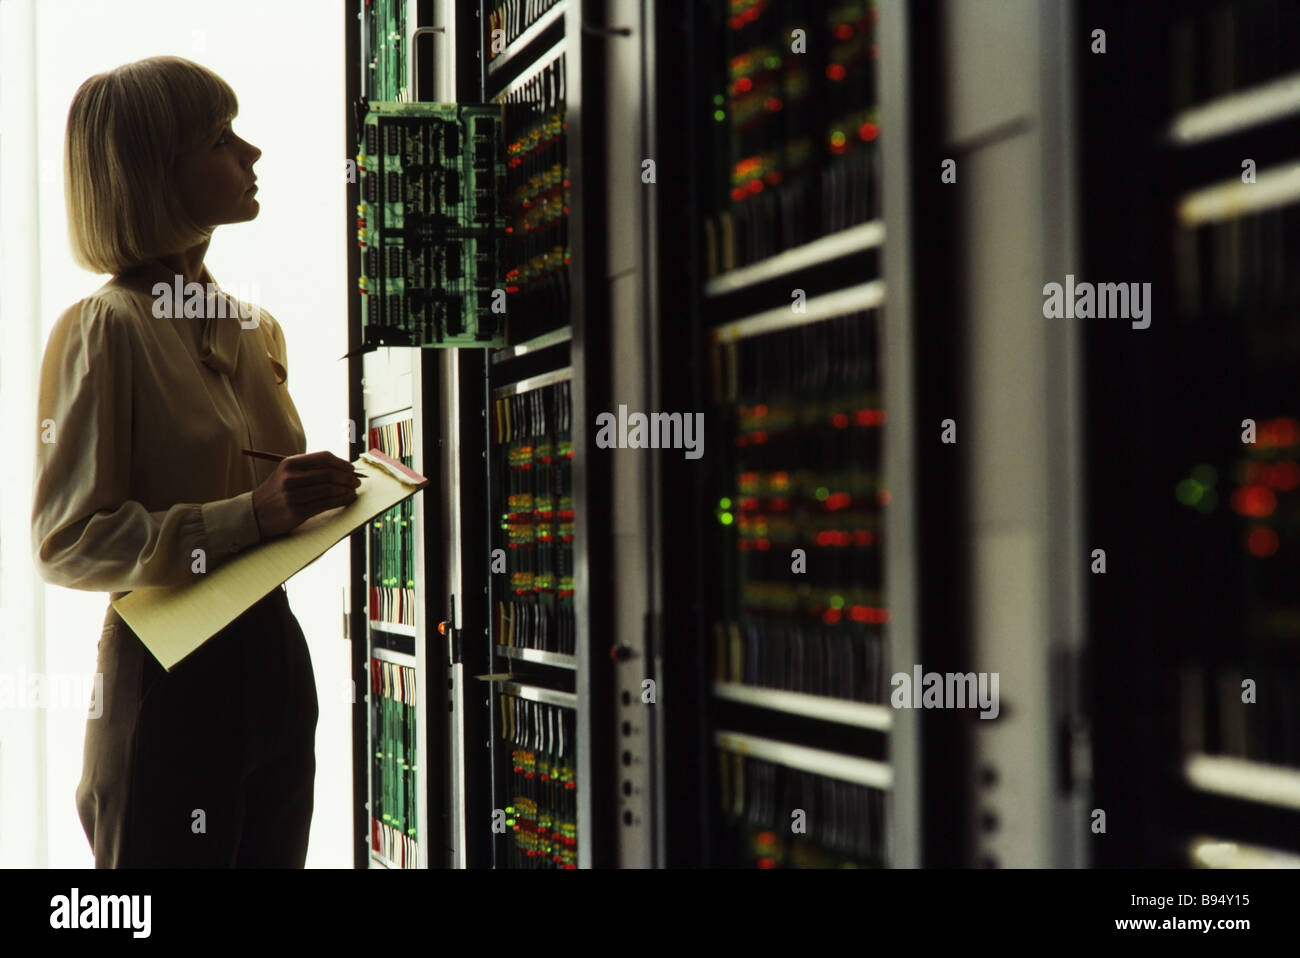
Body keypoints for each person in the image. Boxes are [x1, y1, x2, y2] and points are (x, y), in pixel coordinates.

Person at [30, 56, 358, 867]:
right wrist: (251, 514)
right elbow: (69, 542)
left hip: (274, 664)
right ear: (154, 173)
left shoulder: (257, 331)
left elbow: (272, 509)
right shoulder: (102, 329)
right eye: (221, 138)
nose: (251, 155)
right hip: (168, 681)